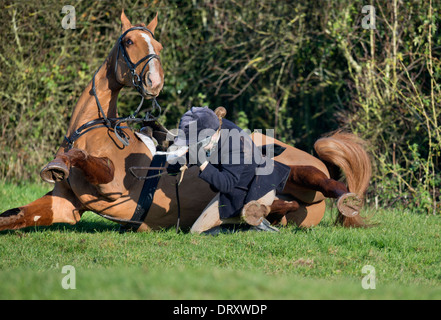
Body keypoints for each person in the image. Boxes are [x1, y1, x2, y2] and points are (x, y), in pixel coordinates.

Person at [172, 106, 291, 234]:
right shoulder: (214, 126)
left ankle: (256, 228)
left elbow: (227, 184)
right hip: (237, 186)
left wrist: (202, 162)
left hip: (254, 189)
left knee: (197, 231)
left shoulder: (236, 144)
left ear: (209, 137)